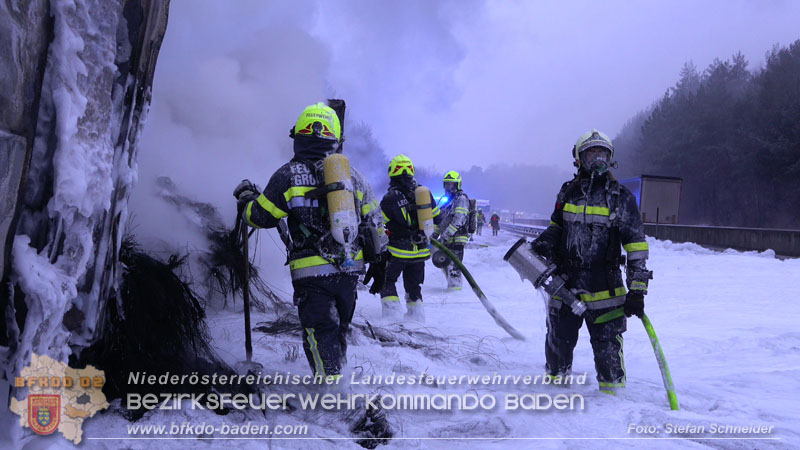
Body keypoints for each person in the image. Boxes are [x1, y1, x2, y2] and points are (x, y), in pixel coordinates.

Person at [233, 101, 387, 381]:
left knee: (320, 332)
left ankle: (332, 392)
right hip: (350, 270)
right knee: (338, 330)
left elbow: (259, 217)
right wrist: (380, 262)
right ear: (335, 139)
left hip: (312, 274)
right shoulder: (354, 176)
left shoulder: (287, 175)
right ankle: (338, 382)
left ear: (298, 137)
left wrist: (246, 200)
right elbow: (376, 221)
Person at [530, 129, 651, 394]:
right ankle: (555, 397)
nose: (598, 159)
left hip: (606, 289)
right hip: (565, 286)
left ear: (610, 158)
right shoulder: (568, 192)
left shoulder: (621, 197)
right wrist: (545, 242)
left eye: (603, 154)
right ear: (579, 159)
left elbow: (637, 248)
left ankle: (613, 401)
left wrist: (637, 290)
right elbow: (557, 227)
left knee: (608, 355)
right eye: (591, 154)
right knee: (557, 347)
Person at [377, 154, 440, 322]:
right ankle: (416, 317)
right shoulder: (424, 193)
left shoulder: (390, 198)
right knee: (414, 285)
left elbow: (378, 225)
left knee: (386, 280)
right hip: (420, 253)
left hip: (397, 252)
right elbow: (438, 220)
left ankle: (391, 319)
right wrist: (428, 236)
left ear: (392, 172)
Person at [432, 170, 472, 290]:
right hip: (448, 239)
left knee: (454, 268)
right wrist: (434, 235)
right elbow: (443, 221)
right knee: (447, 266)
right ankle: (452, 288)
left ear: (457, 185)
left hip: (457, 239)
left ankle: (455, 292)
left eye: (452, 184)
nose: (449, 187)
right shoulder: (449, 200)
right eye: (447, 184)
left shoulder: (461, 199)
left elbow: (459, 220)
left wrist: (445, 235)